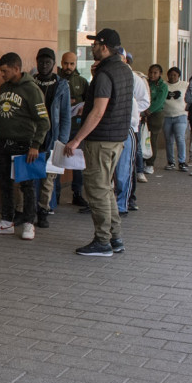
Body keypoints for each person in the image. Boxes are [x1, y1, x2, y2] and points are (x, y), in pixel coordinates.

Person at [64, 28, 133, 258]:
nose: (91, 48)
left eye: (94, 45)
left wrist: (76, 139)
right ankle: (115, 238)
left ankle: (103, 241)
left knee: (96, 190)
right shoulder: (124, 69)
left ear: (104, 47)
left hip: (101, 141)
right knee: (106, 189)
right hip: (117, 139)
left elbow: (98, 111)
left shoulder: (105, 74)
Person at [0, 52, 50, 241]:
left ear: (16, 68)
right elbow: (0, 109)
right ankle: (6, 221)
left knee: (27, 185)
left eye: (5, 71)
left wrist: (35, 145)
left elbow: (44, 121)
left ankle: (29, 223)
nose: (2, 74)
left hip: (25, 144)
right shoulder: (4, 87)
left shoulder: (32, 89)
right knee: (4, 182)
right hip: (5, 142)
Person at [32, 47, 70, 228]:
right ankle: (27, 210)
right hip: (33, 137)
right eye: (41, 62)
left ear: (54, 64)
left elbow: (65, 115)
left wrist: (62, 141)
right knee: (29, 176)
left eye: (48, 62)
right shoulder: (31, 82)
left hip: (52, 138)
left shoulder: (62, 85)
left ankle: (43, 210)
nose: (44, 65)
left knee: (48, 179)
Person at [117, 50, 149, 214]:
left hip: (129, 127)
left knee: (127, 166)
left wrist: (131, 111)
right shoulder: (107, 75)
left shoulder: (135, 78)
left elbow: (144, 102)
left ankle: (128, 200)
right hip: (112, 128)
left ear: (125, 59)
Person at [60, 51, 91, 207]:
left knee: (78, 162)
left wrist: (82, 107)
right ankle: (55, 194)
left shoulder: (82, 81)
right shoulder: (56, 79)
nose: (68, 67)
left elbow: (89, 102)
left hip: (76, 126)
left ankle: (77, 193)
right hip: (59, 126)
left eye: (72, 64)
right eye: (66, 63)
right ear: (61, 63)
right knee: (56, 160)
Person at [162, 67, 189, 172]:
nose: (172, 77)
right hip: (167, 116)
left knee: (180, 138)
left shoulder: (184, 85)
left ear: (179, 76)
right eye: (170, 75)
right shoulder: (164, 85)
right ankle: (170, 162)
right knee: (168, 140)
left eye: (175, 75)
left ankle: (182, 162)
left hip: (181, 115)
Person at [144, 64, 167, 173]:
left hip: (155, 114)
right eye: (150, 72)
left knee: (152, 139)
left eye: (155, 73)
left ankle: (150, 163)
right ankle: (143, 160)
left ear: (160, 74)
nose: (152, 75)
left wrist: (149, 110)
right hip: (144, 113)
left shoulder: (162, 86)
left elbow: (159, 101)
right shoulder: (146, 82)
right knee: (143, 137)